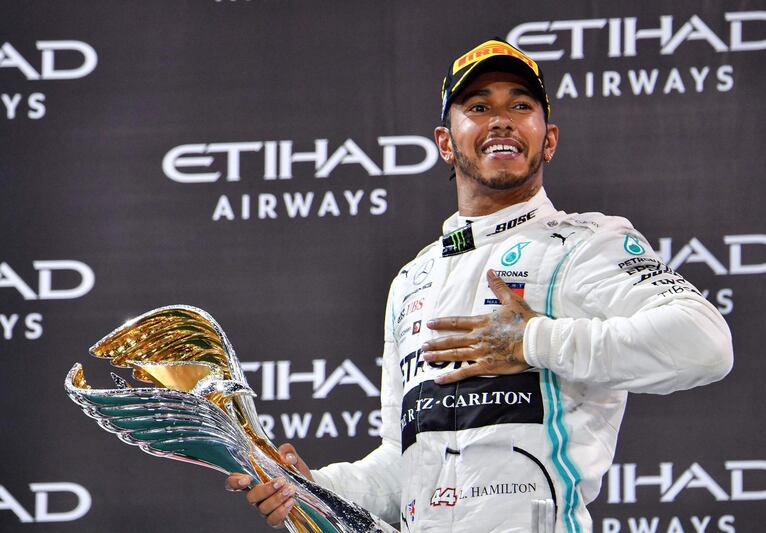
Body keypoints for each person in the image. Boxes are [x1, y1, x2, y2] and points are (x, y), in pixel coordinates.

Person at [226, 38, 733, 532]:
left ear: (548, 139)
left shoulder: (585, 244)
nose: (501, 119)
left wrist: (532, 341)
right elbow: (405, 465)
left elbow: (705, 344)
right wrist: (313, 488)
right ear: (446, 143)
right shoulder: (412, 279)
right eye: (478, 106)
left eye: (520, 105)